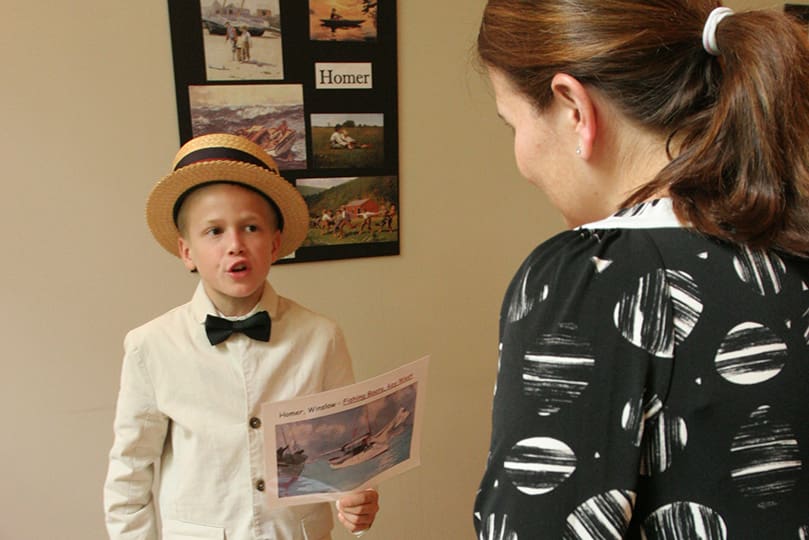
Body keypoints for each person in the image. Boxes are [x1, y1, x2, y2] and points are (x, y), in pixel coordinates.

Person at [473, 1, 809, 538]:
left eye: (513, 122)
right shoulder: (792, 246)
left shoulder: (592, 279)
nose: (522, 158)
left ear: (572, 108)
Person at [104, 133, 379, 539]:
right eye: (214, 231)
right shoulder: (151, 346)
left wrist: (358, 499)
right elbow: (129, 476)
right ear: (186, 252)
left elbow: (348, 452)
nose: (235, 245)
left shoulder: (322, 337)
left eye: (250, 227)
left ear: (275, 243)